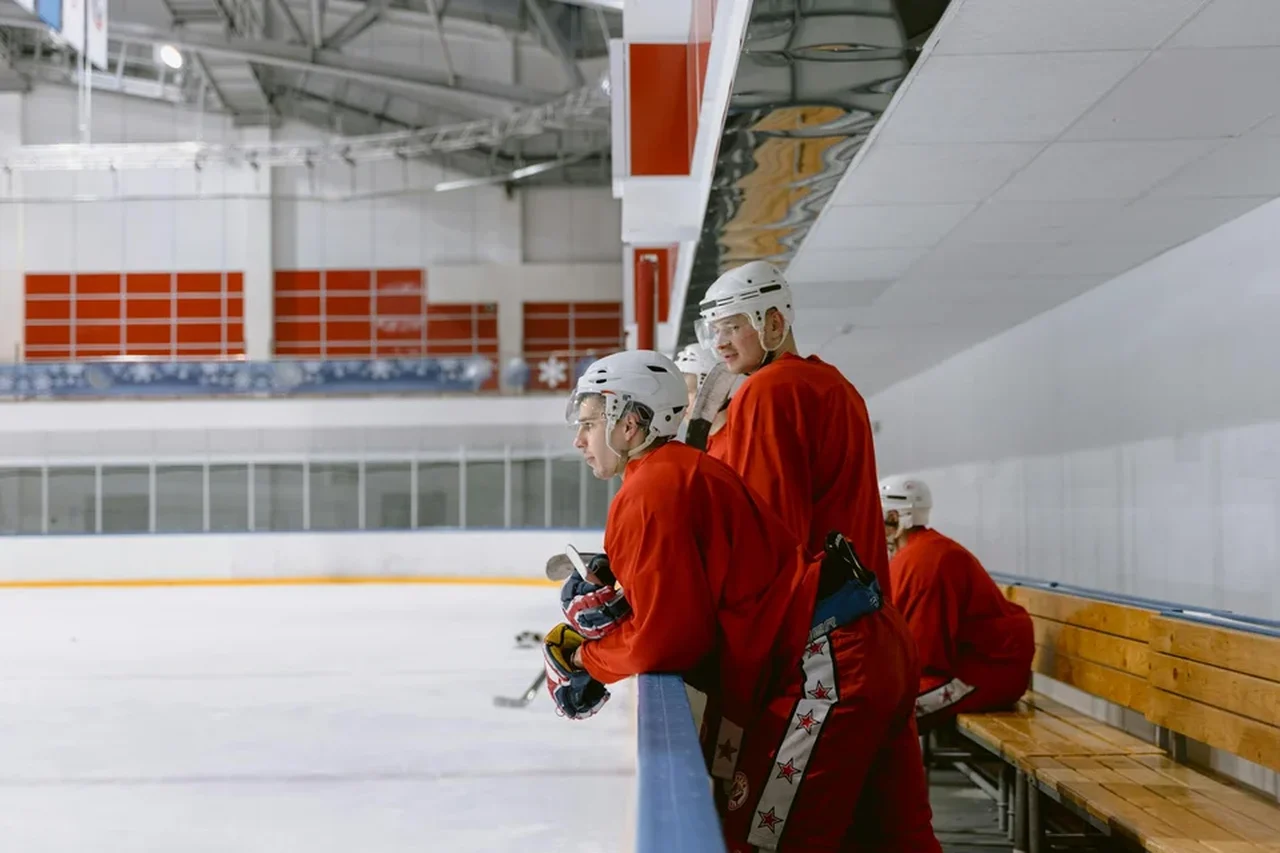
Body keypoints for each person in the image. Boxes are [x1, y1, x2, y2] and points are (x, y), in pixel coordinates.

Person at [540, 350, 940, 853]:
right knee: (894, 840)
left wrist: (586, 660)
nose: (579, 440)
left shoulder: (649, 491)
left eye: (589, 423)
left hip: (828, 665)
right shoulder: (684, 469)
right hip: (868, 638)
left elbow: (667, 640)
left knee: (762, 843)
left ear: (629, 421)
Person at [695, 261, 895, 598]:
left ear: (774, 322)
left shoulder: (768, 389)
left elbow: (769, 531)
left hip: (815, 613)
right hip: (860, 606)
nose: (719, 344)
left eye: (731, 327)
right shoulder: (834, 383)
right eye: (714, 331)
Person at [880, 475, 1035, 731]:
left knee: (878, 714)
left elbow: (924, 655)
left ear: (896, 517)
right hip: (976, 665)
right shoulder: (923, 553)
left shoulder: (923, 562)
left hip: (982, 674)